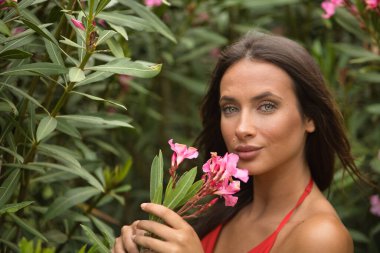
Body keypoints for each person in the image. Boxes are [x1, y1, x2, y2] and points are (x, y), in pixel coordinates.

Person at [112, 32, 361, 253]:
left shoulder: (320, 237)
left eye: (267, 106)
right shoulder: (216, 207)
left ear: (310, 117)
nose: (242, 129)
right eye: (230, 108)